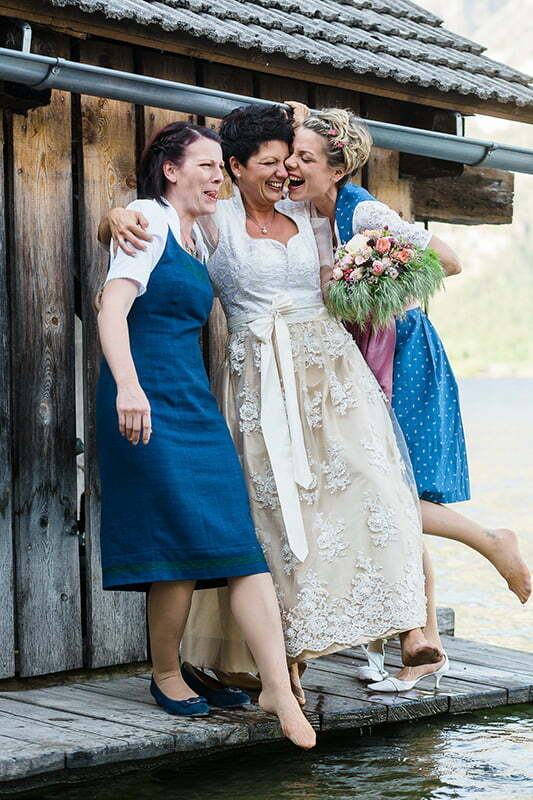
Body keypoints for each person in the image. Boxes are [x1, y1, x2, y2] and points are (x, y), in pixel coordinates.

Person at [100, 104, 443, 705]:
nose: (285, 173)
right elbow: (151, 228)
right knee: (272, 519)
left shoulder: (311, 215)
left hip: (330, 373)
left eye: (290, 162)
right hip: (257, 375)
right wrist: (113, 217)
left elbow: (344, 195)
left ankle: (410, 627)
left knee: (374, 488)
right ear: (233, 168)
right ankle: (279, 662)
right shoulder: (215, 220)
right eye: (270, 163)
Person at [281, 103, 531, 689]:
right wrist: (298, 116)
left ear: (337, 166)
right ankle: (423, 641)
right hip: (350, 360)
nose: (293, 165)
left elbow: (447, 260)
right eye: (292, 154)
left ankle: (489, 546)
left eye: (305, 157)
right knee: (384, 493)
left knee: (395, 490)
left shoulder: (361, 209)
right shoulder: (304, 210)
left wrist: (370, 280)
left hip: (400, 352)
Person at [96, 119, 315, 747]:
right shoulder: (148, 216)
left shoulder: (199, 234)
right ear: (171, 170)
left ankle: (274, 682)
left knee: (233, 537)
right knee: (175, 543)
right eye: (207, 166)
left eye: (223, 168)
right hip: (147, 395)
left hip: (192, 397)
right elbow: (111, 308)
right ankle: (165, 672)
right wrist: (129, 388)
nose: (218, 177)